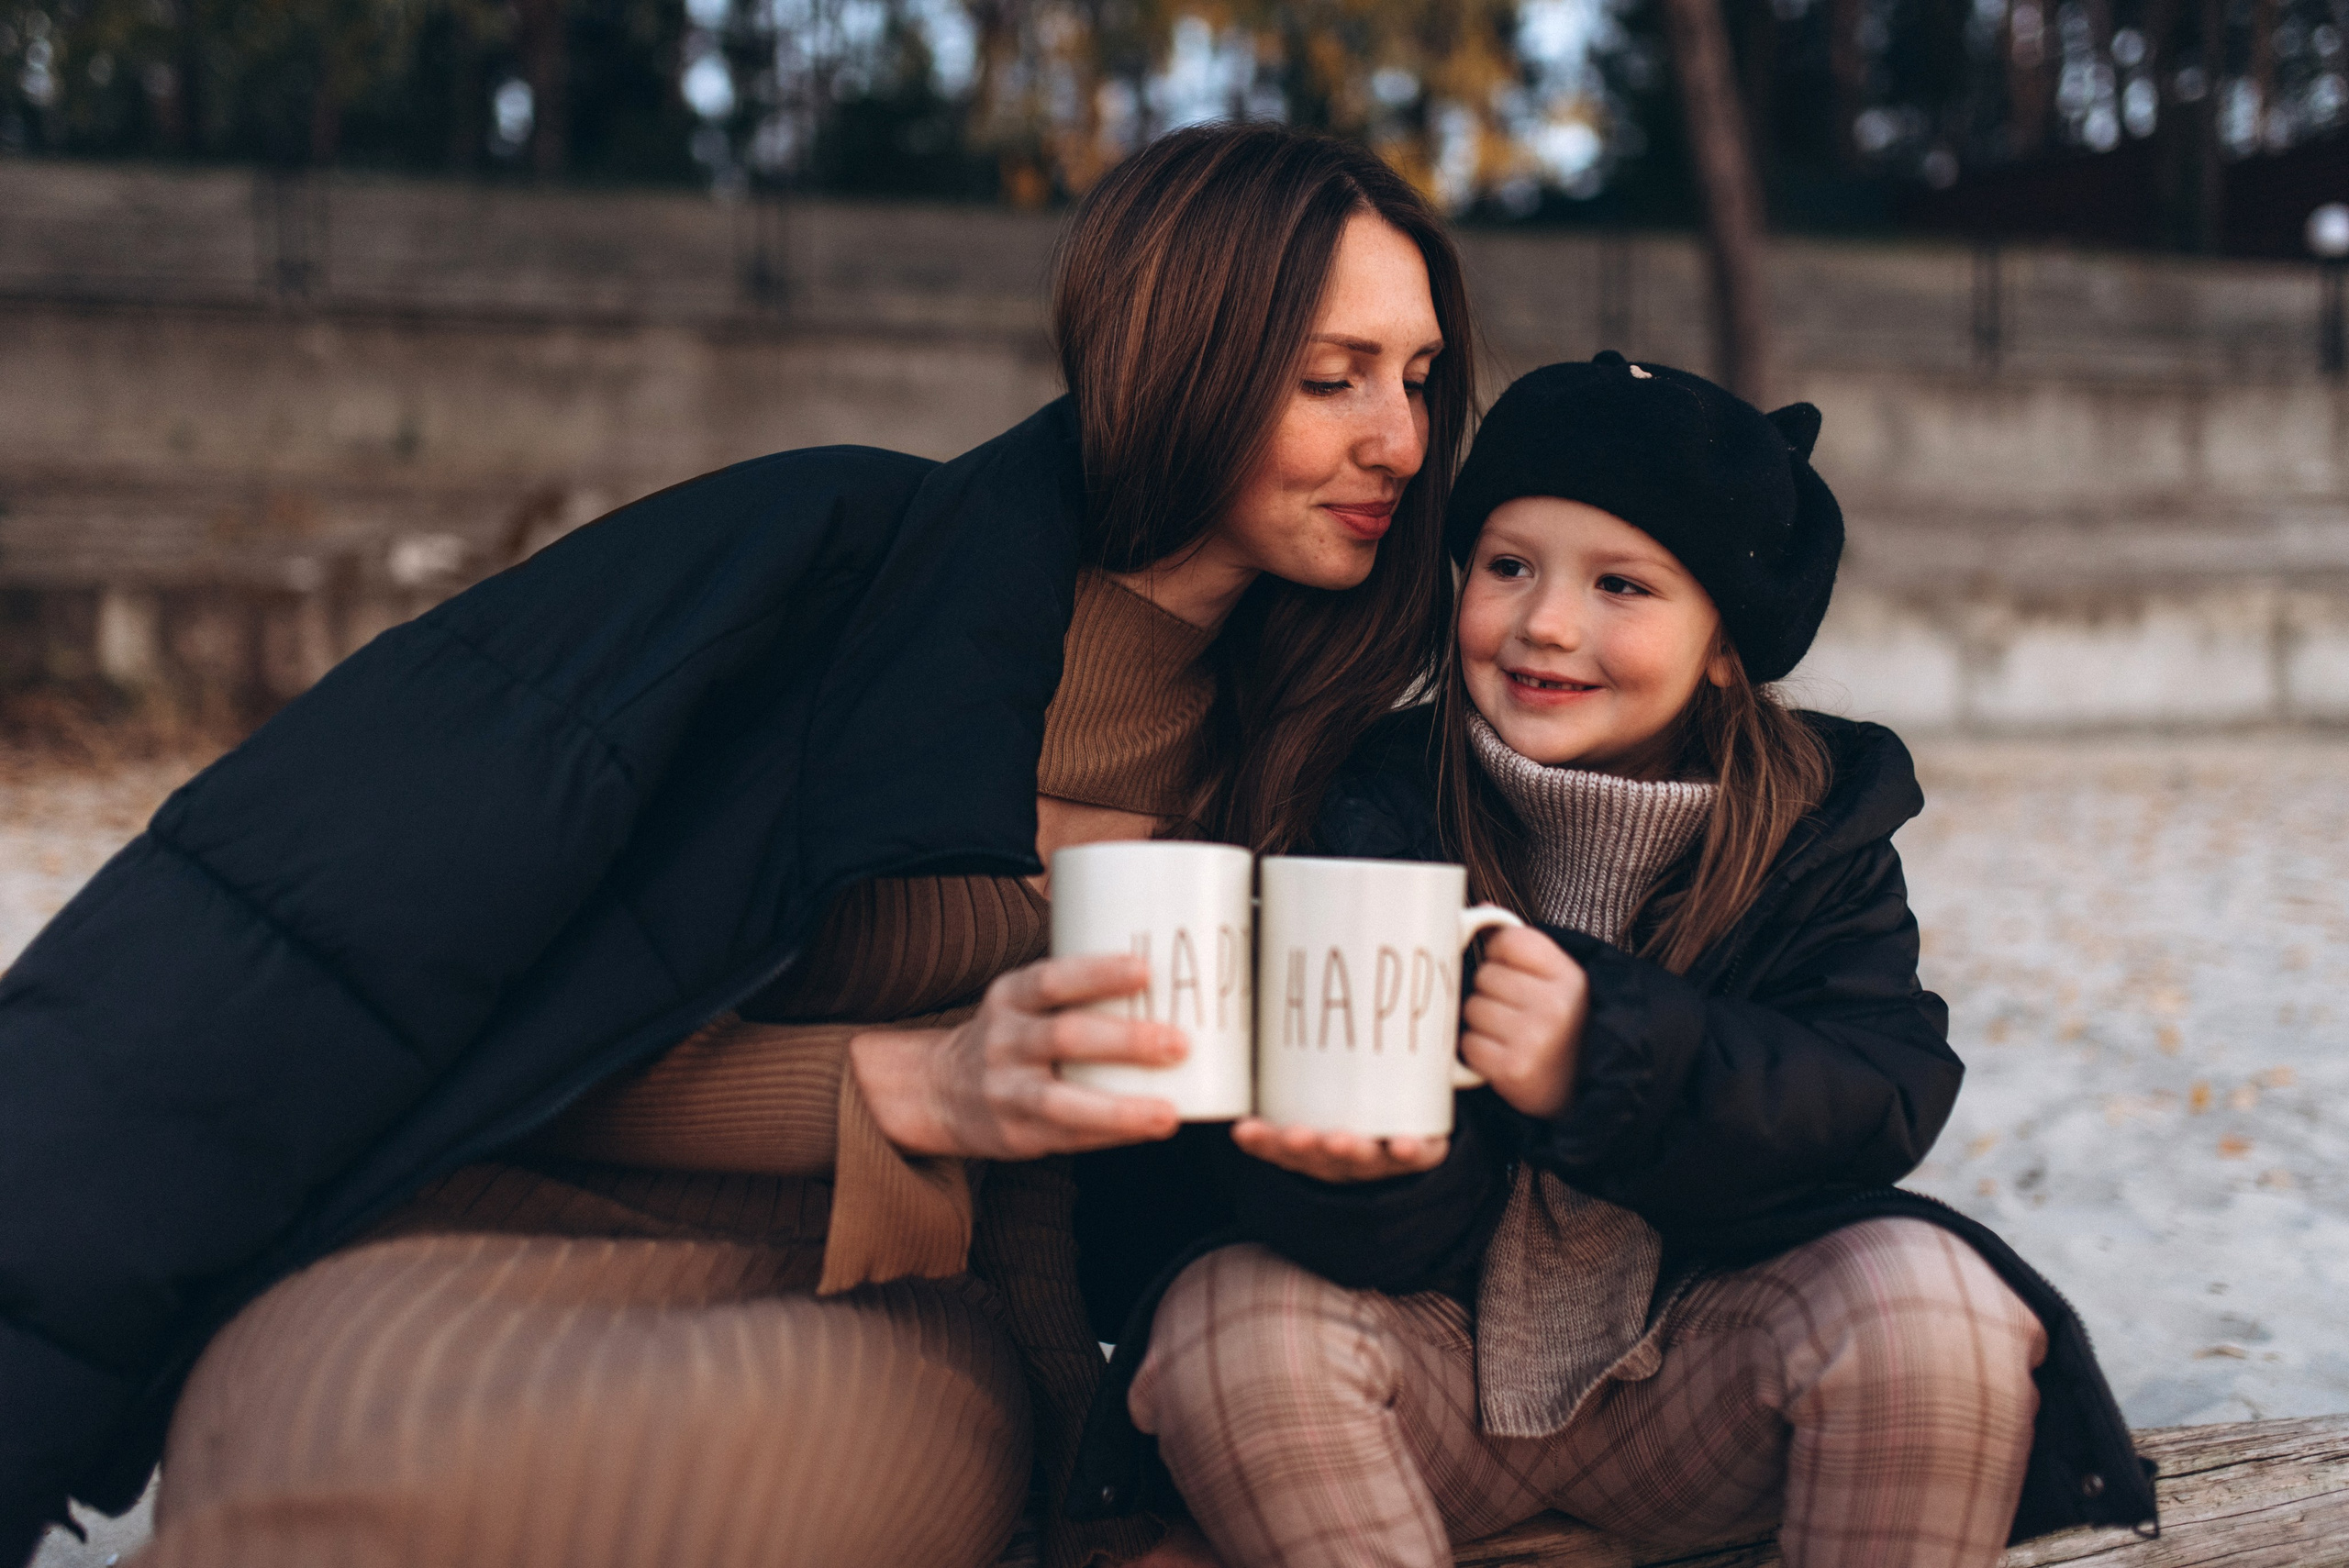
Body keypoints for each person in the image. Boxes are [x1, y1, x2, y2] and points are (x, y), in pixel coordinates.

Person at [0, 125, 1476, 1568]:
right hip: (498, 1220)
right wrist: (912, 1082)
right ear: (1185, 363)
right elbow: (501, 1030)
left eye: (1416, 380)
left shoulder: (1292, 761)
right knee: (336, 1453)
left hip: (883, 1301)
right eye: (1330, 379)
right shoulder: (835, 574)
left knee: (607, 1497)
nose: (1400, 441)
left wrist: (1082, 1475)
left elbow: (1054, 1184)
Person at [1072, 355, 2155, 1567]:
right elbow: (1323, 1219)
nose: (1546, 622)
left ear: (1728, 648)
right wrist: (1363, 1171)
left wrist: (1608, 1055)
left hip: (1704, 1393)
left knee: (1940, 1300)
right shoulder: (1370, 799)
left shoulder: (1814, 830)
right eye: (1508, 565)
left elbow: (1874, 1095)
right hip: (1416, 1390)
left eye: (1623, 584)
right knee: (1228, 1316)